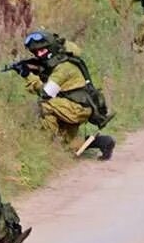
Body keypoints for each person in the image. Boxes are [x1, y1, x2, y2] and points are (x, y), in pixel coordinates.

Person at [10, 29, 116, 159]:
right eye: (36, 52)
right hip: (74, 106)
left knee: (44, 105)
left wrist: (27, 75)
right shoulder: (61, 61)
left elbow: (46, 93)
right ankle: (104, 142)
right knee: (68, 145)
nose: (39, 54)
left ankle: (46, 145)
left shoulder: (63, 68)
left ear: (51, 48)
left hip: (77, 108)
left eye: (42, 51)